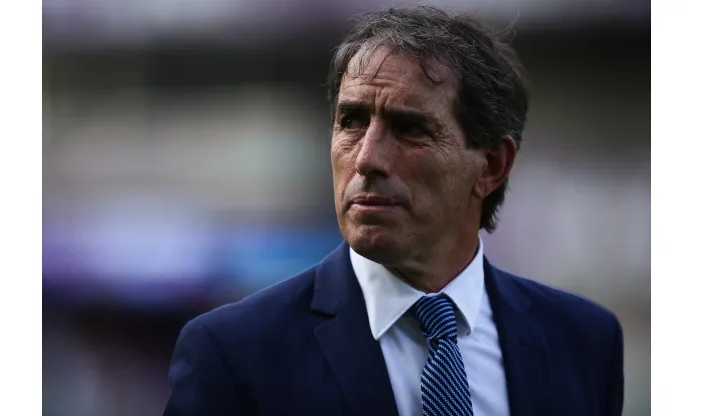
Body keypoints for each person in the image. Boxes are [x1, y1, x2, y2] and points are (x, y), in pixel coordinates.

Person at [163, 6, 624, 416]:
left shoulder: (584, 343)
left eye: (409, 128)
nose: (366, 158)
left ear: (492, 165)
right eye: (351, 121)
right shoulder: (234, 353)